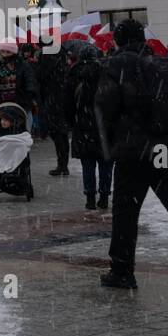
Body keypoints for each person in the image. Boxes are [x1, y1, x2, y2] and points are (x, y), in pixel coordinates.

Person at [96, 19, 168, 289]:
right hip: (164, 149)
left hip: (132, 152)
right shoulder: (164, 64)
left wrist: (112, 144)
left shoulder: (115, 65)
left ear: (118, 40)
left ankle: (122, 270)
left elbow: (106, 108)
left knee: (126, 214)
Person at [64, 43, 112, 211]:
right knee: (106, 163)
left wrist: (71, 122)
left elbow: (68, 103)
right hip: (104, 125)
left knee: (88, 164)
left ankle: (90, 197)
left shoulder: (73, 72)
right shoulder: (106, 71)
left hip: (82, 125)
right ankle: (105, 196)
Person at [36, 39, 71, 177]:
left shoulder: (47, 56)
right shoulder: (61, 53)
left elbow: (41, 76)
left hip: (52, 98)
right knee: (61, 133)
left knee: (57, 134)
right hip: (62, 97)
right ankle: (64, 164)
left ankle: (61, 164)